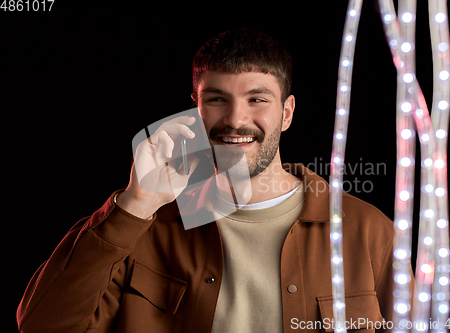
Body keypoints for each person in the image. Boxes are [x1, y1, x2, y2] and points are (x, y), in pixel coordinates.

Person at [17, 28, 399, 333]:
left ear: (286, 113)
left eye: (257, 100)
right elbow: (42, 326)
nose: (235, 120)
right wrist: (134, 205)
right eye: (216, 99)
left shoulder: (367, 231)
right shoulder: (146, 225)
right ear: (195, 109)